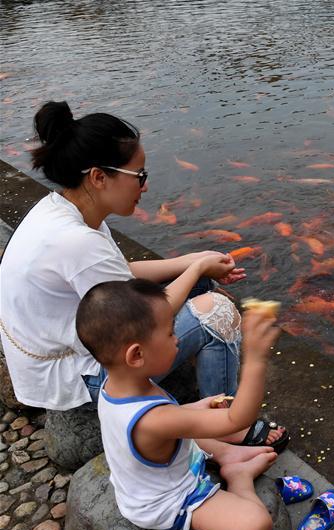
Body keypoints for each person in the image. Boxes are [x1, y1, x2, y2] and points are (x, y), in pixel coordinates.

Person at [0, 100, 286, 454]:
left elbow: (121, 274)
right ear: (99, 177)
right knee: (218, 313)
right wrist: (196, 267)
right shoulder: (77, 242)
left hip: (68, 345)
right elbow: (140, 315)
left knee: (194, 284)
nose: (145, 187)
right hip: (78, 378)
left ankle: (202, 391)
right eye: (140, 176)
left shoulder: (64, 210)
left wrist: (190, 261)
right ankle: (220, 428)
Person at [77, 279, 279, 530]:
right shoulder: (156, 421)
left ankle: (228, 455)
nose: (177, 340)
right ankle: (239, 477)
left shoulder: (113, 385)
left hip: (148, 475)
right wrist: (255, 359)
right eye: (171, 333)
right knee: (256, 525)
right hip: (167, 500)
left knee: (190, 426)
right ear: (136, 355)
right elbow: (236, 420)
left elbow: (169, 419)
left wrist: (195, 408)